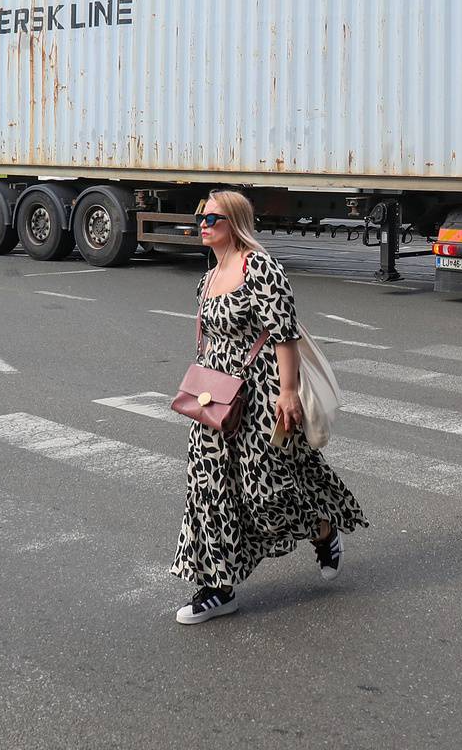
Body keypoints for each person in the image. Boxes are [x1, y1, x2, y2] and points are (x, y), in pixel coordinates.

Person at [171, 189, 366, 625]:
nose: (203, 225)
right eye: (201, 218)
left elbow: (284, 333)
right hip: (215, 399)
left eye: (212, 219)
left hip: (260, 395)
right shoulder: (208, 276)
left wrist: (289, 392)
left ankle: (322, 529)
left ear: (234, 223)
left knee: (267, 494)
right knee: (208, 491)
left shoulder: (257, 267)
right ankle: (216, 588)